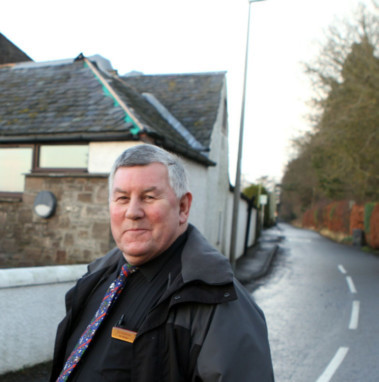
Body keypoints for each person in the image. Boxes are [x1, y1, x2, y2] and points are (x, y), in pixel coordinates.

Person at [50, 144, 273, 381]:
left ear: (183, 207)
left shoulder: (218, 304)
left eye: (149, 197)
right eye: (122, 198)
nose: (133, 212)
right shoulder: (95, 280)